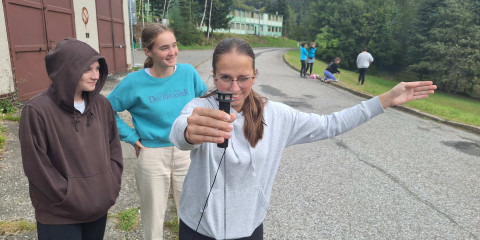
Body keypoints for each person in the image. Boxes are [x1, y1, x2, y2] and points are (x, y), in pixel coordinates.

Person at [169, 38, 436, 239]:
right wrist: (188, 132)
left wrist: (385, 100)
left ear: (255, 76)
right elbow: (179, 131)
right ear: (214, 75)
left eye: (243, 78)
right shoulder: (199, 108)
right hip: (197, 226)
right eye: (225, 78)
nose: (234, 87)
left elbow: (330, 124)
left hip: (248, 228)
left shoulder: (277, 116)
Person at [107, 23, 207, 240]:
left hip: (188, 152)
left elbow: (207, 102)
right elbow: (106, 110)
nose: (172, 52)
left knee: (193, 216)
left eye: (174, 45)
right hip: (152, 155)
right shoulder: (134, 82)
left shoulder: (189, 74)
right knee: (153, 219)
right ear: (148, 51)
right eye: (164, 48)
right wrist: (131, 137)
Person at [19, 38, 123, 240]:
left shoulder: (102, 105)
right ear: (67, 70)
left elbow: (114, 147)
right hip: (59, 214)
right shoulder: (37, 110)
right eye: (88, 70)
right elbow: (37, 166)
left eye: (97, 68)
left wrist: (110, 184)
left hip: (98, 207)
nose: (96, 75)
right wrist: (69, 195)